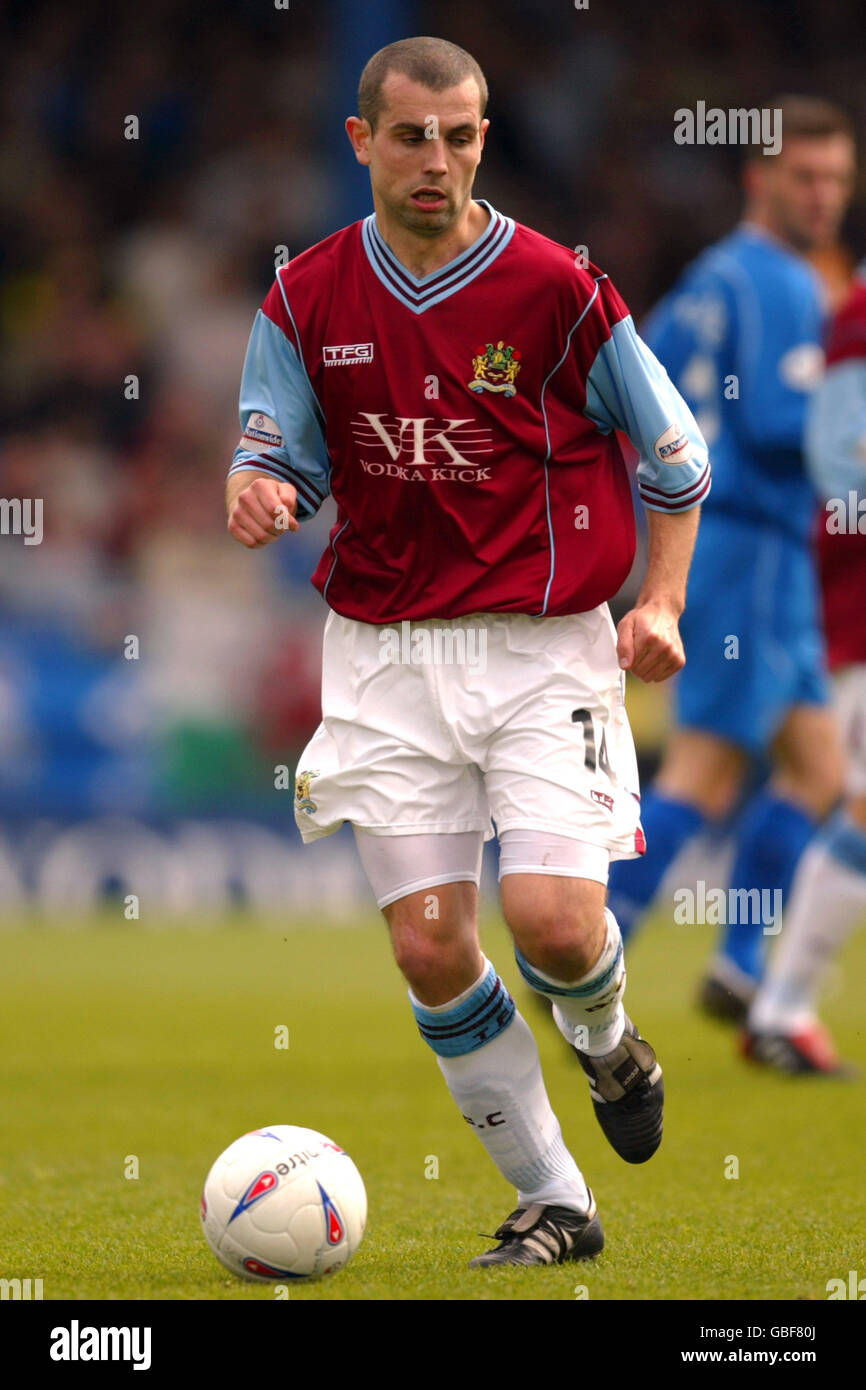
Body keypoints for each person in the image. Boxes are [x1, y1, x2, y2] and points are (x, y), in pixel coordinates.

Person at [225, 36, 709, 1267]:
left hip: (545, 652)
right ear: (362, 141)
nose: (434, 160)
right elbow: (273, 447)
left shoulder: (557, 289)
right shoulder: (304, 298)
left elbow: (674, 458)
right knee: (431, 944)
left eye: (458, 136)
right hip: (384, 656)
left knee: (550, 922)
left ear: (482, 139)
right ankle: (556, 1198)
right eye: (409, 136)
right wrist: (256, 486)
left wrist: (658, 604)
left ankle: (606, 1042)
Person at [605, 98, 856, 1020]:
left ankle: (743, 960)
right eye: (806, 177)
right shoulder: (788, 285)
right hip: (747, 541)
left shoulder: (703, 281)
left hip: (752, 556)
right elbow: (777, 423)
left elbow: (636, 394)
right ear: (761, 179)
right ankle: (585, 958)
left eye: (837, 179)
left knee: (824, 774)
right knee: (704, 774)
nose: (824, 197)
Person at [742, 264, 866, 1074]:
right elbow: (841, 468)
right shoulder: (857, 320)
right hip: (849, 604)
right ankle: (778, 1005)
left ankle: (765, 992)